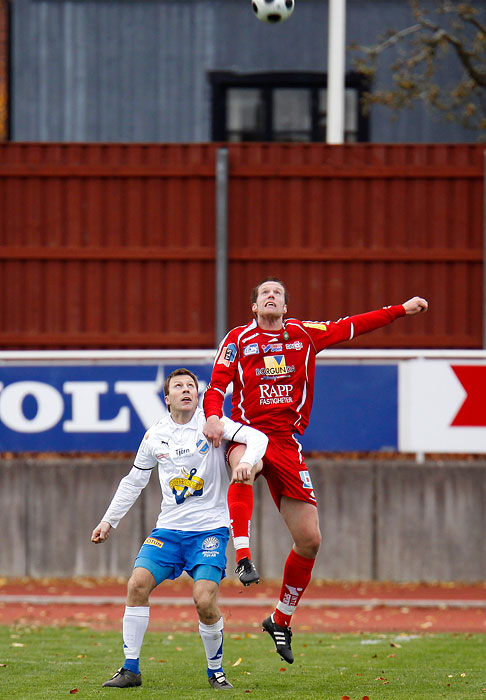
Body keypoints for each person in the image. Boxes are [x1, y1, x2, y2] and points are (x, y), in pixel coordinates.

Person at [203, 278, 428, 664]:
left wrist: (400, 310)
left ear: (286, 307)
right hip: (247, 433)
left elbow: (353, 325)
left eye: (277, 294)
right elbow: (216, 384)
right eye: (263, 294)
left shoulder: (304, 335)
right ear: (254, 307)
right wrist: (211, 417)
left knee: (310, 540)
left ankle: (280, 619)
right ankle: (243, 556)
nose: (271, 297)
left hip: (288, 444)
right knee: (244, 466)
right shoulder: (238, 338)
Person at [91, 367, 268, 690]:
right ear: (167, 397)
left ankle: (215, 671)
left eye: (191, 386)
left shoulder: (212, 426)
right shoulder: (155, 435)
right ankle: (130, 670)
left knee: (203, 600)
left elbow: (259, 437)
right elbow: (134, 481)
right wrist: (108, 521)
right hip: (169, 531)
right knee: (137, 585)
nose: (186, 390)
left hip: (210, 531)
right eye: (179, 386)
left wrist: (246, 461)